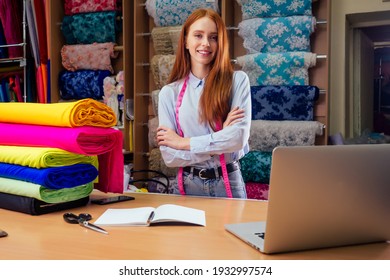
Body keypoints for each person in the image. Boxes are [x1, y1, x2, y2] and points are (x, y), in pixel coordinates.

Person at [157, 8, 251, 198]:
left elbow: (238, 139)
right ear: (185, 41)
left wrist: (184, 143)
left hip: (228, 183)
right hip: (186, 184)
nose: (206, 43)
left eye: (214, 37)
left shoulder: (237, 81)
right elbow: (169, 156)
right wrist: (220, 140)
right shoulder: (169, 93)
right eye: (198, 35)